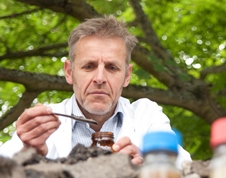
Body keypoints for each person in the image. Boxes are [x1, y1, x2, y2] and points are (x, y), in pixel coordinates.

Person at [0, 15, 191, 168]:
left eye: (112, 67)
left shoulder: (146, 116)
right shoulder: (41, 124)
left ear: (127, 75)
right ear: (69, 72)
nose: (100, 78)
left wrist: (146, 165)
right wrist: (27, 152)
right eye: (89, 66)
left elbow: (188, 170)